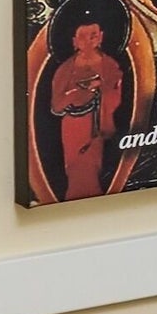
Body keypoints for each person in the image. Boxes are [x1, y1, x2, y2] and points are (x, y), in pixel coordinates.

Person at [41, 14, 131, 199]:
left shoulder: (110, 66)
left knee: (92, 165)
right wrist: (74, 94)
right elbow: (56, 106)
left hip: (97, 122)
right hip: (73, 124)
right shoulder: (65, 69)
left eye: (93, 35)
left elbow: (116, 94)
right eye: (82, 36)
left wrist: (100, 89)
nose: (88, 41)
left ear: (101, 37)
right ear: (74, 41)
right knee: (75, 166)